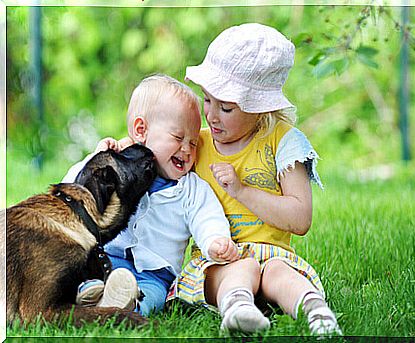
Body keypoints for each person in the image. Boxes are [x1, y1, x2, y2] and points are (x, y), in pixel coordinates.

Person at [167, 23, 342, 336]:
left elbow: (300, 219)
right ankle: (238, 309)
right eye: (207, 100)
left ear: (262, 108)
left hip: (272, 255)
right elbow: (156, 160)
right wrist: (119, 147)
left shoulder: (283, 142)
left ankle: (316, 312)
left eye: (227, 107)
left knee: (277, 273)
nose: (212, 115)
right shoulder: (197, 143)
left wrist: (241, 190)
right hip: (219, 259)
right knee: (239, 269)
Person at [62, 74, 239, 316]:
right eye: (178, 138)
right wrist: (95, 164)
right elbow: (71, 189)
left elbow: (206, 216)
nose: (187, 149)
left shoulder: (190, 188)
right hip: (105, 260)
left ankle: (129, 306)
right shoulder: (117, 168)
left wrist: (215, 241)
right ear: (141, 130)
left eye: (194, 142)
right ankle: (90, 293)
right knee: (83, 268)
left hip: (154, 275)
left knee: (154, 296)